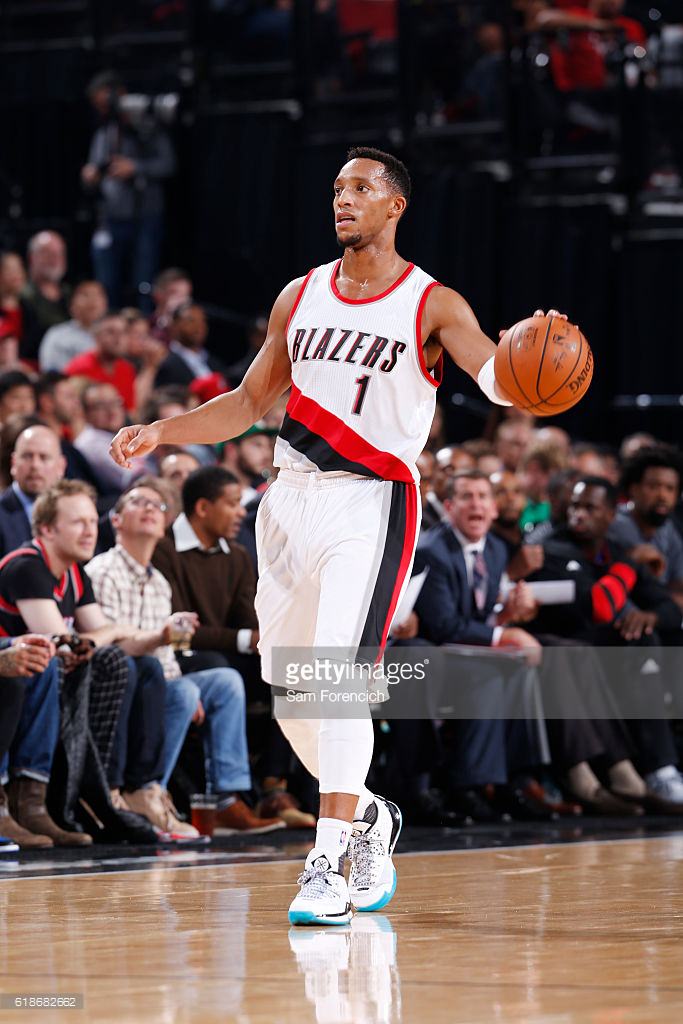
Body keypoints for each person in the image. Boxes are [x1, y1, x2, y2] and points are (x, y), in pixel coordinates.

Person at [110, 145, 563, 926]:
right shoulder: (301, 293)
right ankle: (366, 819)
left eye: (360, 189)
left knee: (341, 680)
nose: (342, 200)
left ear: (395, 206)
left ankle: (323, 863)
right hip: (285, 501)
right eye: (335, 189)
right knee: (295, 699)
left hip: (371, 503)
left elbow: (495, 376)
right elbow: (250, 400)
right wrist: (163, 431)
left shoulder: (432, 303)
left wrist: (532, 364)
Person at [87, 479, 283, 834]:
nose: (150, 509)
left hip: (163, 669)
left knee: (248, 678)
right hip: (122, 676)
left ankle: (227, 796)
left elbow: (169, 651)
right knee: (188, 679)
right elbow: (113, 647)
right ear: (115, 520)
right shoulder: (104, 570)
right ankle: (143, 790)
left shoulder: (162, 580)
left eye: (157, 505)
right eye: (138, 502)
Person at [81, 71, 176, 310]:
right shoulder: (105, 133)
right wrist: (91, 175)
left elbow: (168, 163)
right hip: (112, 217)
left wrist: (135, 167)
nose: (103, 110)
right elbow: (96, 169)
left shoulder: (147, 126)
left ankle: (142, 329)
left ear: (120, 95)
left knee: (142, 281)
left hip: (146, 215)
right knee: (107, 280)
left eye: (105, 103)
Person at [609, 447, 683, 609]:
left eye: (670, 489)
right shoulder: (614, 525)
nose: (662, 496)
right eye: (654, 487)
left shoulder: (668, 529)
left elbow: (679, 587)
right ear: (633, 489)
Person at [0, 425, 66, 556]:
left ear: (61, 466)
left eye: (44, 457)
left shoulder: (73, 511)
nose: (35, 465)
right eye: (27, 456)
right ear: (13, 463)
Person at [64, 313, 136, 413]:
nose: (118, 339)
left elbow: (131, 411)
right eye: (111, 332)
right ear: (96, 336)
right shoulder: (80, 368)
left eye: (123, 332)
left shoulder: (127, 369)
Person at [19, 231, 71, 363]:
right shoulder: (20, 296)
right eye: (47, 253)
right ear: (32, 257)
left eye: (59, 253)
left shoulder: (71, 295)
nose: (55, 259)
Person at [155, 303, 230, 389]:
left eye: (203, 321)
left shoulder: (216, 365)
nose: (199, 326)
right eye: (191, 321)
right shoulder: (165, 363)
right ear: (174, 325)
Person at [38, 280, 107, 372]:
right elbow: (52, 371)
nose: (92, 300)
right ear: (72, 304)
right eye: (85, 295)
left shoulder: (115, 335)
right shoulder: (57, 335)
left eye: (98, 295)